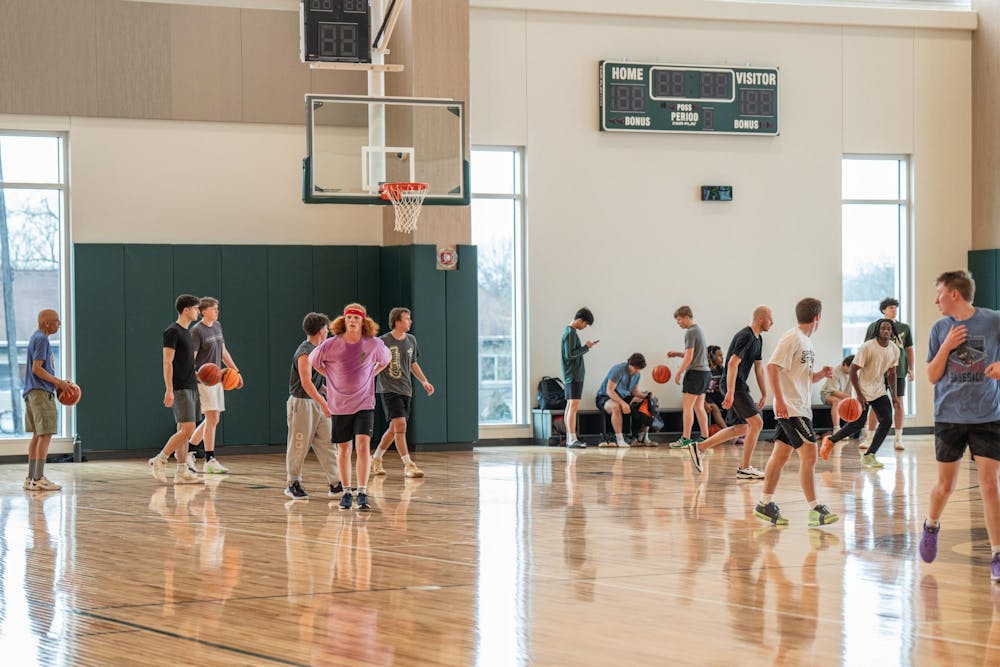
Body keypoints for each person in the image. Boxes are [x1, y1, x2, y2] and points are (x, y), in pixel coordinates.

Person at [918, 270, 1000, 583]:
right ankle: (931, 526)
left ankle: (997, 554)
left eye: (938, 292)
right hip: (949, 417)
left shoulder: (993, 321)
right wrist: (946, 346)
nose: (934, 299)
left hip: (987, 416)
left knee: (991, 485)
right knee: (945, 486)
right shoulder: (940, 328)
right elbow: (931, 375)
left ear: (954, 294)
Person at [753, 298, 838, 528]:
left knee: (780, 456)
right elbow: (772, 367)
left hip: (798, 407)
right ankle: (814, 509)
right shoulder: (792, 338)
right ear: (817, 318)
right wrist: (779, 400)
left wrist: (820, 374)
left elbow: (802, 377)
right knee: (810, 454)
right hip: (791, 408)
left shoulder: (807, 342)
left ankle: (764, 503)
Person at [309, 304, 391, 512]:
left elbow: (386, 359)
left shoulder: (373, 344)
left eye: (356, 317)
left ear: (363, 321)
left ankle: (362, 492)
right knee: (344, 449)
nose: (352, 320)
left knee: (363, 445)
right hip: (339, 404)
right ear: (343, 321)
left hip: (364, 402)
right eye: (349, 317)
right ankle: (346, 492)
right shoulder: (331, 344)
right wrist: (331, 376)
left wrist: (373, 372)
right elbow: (314, 361)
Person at [686, 306, 773, 480]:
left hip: (738, 385)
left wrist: (764, 393)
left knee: (741, 427)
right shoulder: (746, 336)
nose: (773, 322)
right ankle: (744, 468)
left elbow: (759, 368)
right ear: (761, 318)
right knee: (757, 423)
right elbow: (733, 363)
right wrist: (731, 392)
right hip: (734, 385)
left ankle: (700, 447)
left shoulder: (758, 339)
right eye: (770, 318)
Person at [820, 319, 899, 467]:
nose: (886, 331)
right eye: (883, 328)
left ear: (892, 331)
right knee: (857, 424)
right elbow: (852, 370)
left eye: (889, 329)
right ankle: (830, 441)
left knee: (887, 420)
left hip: (879, 390)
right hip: (862, 389)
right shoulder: (868, 347)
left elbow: (892, 373)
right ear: (877, 330)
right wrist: (859, 395)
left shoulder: (894, 349)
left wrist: (894, 396)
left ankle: (869, 455)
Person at [284, 312, 343, 501]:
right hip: (302, 403)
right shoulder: (304, 352)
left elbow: (316, 383)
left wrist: (328, 392)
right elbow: (306, 383)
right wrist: (324, 403)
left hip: (316, 401)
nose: (328, 331)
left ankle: (336, 483)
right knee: (299, 444)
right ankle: (292, 483)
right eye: (326, 328)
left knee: (328, 442)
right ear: (321, 331)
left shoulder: (319, 350)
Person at [371, 307, 435, 478]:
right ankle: (409, 465)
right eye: (407, 319)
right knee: (401, 425)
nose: (410, 321)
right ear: (397, 322)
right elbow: (374, 364)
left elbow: (413, 364)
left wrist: (424, 381)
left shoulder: (411, 340)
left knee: (394, 428)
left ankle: (376, 459)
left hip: (406, 389)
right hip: (388, 390)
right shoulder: (382, 341)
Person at [149, 294, 205, 485]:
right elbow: (167, 361)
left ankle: (182, 471)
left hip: (191, 384)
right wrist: (169, 389)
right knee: (188, 428)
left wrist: (200, 377)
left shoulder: (187, 333)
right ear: (186, 310)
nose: (198, 312)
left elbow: (186, 363)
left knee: (184, 429)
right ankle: (160, 459)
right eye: (196, 308)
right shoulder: (172, 332)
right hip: (180, 386)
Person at [21, 309, 74, 492]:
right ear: (47, 324)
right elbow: (37, 369)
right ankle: (38, 478)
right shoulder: (42, 339)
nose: (59, 324)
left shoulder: (36, 337)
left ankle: (30, 478)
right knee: (46, 434)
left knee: (38, 435)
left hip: (32, 392)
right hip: (40, 393)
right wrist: (58, 382)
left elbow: (40, 370)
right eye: (57, 321)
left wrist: (58, 383)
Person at [186, 297, 240, 474]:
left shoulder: (217, 326)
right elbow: (190, 360)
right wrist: (197, 376)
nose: (217, 312)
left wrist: (236, 371)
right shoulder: (197, 331)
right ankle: (209, 459)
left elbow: (223, 352)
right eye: (214, 309)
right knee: (212, 419)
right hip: (204, 381)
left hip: (217, 380)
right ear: (203, 311)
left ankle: (189, 450)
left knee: (213, 419)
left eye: (217, 309)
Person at [863, 297, 914, 451]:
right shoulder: (873, 326)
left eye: (895, 307)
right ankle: (869, 437)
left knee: (898, 402)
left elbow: (909, 349)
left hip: (898, 371)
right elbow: (866, 348)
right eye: (891, 307)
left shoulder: (904, 327)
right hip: (877, 372)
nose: (894, 309)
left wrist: (911, 368)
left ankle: (898, 438)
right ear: (883, 310)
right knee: (875, 403)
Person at [668, 306, 711, 448]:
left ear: (686, 317)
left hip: (695, 374)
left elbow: (690, 356)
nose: (678, 323)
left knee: (688, 407)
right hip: (705, 373)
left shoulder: (690, 332)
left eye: (679, 320)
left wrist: (679, 371)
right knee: (699, 407)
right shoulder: (699, 330)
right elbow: (695, 355)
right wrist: (678, 354)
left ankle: (685, 439)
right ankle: (705, 438)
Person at [560, 307, 597, 449]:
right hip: (573, 375)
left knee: (570, 405)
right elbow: (569, 355)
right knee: (573, 406)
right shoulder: (570, 333)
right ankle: (572, 438)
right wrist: (586, 347)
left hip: (573, 374)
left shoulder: (571, 332)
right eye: (585, 324)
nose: (585, 327)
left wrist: (585, 348)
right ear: (580, 320)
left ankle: (570, 437)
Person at [594, 353, 647, 448]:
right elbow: (609, 391)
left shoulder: (637, 374)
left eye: (639, 369)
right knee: (616, 406)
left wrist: (647, 396)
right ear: (630, 364)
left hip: (622, 397)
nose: (637, 371)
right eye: (636, 368)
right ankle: (620, 439)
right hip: (604, 397)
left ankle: (642, 437)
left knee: (647, 402)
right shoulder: (618, 370)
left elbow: (634, 392)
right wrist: (623, 403)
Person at [819, 355, 854, 431]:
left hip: (845, 396)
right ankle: (836, 429)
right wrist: (851, 398)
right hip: (828, 393)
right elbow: (834, 392)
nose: (851, 370)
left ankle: (856, 430)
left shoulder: (855, 372)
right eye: (849, 368)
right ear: (844, 364)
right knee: (837, 402)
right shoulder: (835, 371)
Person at [705, 345, 729, 432]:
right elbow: (699, 391)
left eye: (722, 355)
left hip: (716, 395)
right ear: (711, 357)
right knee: (715, 408)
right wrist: (704, 402)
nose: (722, 358)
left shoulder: (721, 370)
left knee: (731, 404)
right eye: (719, 356)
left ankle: (736, 430)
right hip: (706, 396)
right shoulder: (705, 371)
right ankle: (728, 433)